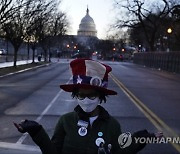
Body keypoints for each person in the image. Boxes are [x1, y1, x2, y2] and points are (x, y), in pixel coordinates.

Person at [14, 58, 162, 154]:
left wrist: (143, 138)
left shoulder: (112, 125)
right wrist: (36, 131)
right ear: (75, 96)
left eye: (91, 95)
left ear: (100, 97)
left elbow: (121, 150)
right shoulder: (66, 121)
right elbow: (53, 151)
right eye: (81, 95)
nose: (86, 100)